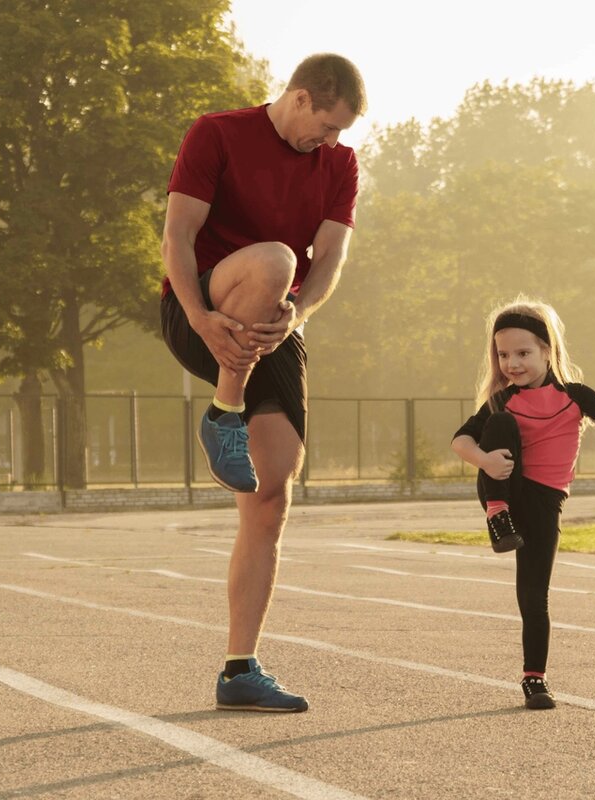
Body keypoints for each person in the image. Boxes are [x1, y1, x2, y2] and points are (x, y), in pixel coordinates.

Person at [159, 53, 366, 712]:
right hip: (203, 301)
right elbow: (179, 235)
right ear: (301, 98)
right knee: (278, 258)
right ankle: (224, 410)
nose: (330, 141)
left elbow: (330, 255)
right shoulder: (216, 133)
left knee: (270, 492)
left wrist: (297, 318)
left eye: (340, 132)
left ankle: (239, 667)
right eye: (326, 125)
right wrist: (198, 315)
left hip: (273, 323)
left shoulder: (340, 164)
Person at [451, 298, 595, 710]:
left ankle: (534, 680)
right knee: (499, 424)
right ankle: (497, 517)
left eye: (522, 353)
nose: (512, 363)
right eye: (504, 355)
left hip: (545, 502)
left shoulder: (574, 396)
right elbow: (461, 441)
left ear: (547, 350)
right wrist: (484, 460)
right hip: (507, 488)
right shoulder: (503, 401)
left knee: (533, 594)